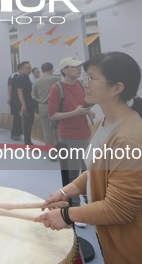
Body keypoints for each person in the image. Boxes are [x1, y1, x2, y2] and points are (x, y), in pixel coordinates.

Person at [36, 52, 142, 263]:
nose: (85, 84)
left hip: (140, 246)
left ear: (117, 88)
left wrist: (67, 215)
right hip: (114, 238)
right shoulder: (103, 124)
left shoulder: (129, 139)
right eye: (85, 77)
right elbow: (95, 171)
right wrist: (65, 191)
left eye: (91, 78)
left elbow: (120, 208)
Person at [48, 57, 93, 204]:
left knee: (87, 171)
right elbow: (52, 115)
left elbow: (83, 104)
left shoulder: (80, 84)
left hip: (85, 133)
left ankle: (88, 199)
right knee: (72, 174)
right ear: (65, 70)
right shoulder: (57, 88)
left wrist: (87, 110)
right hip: (68, 136)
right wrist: (75, 112)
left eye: (80, 66)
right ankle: (74, 206)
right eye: (75, 67)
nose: (79, 69)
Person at [31, 62, 59, 147]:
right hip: (56, 106)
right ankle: (62, 151)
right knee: (59, 129)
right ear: (52, 69)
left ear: (42, 71)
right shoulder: (57, 79)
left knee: (47, 130)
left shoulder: (36, 82)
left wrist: (41, 99)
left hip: (42, 106)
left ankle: (51, 154)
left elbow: (33, 95)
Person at [8, 61, 34, 144]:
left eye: (30, 68)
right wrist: (10, 98)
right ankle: (17, 135)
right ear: (21, 68)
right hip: (18, 101)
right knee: (17, 118)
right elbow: (11, 87)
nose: (30, 69)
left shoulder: (26, 77)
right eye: (28, 68)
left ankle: (21, 135)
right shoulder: (17, 76)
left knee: (25, 121)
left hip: (25, 101)